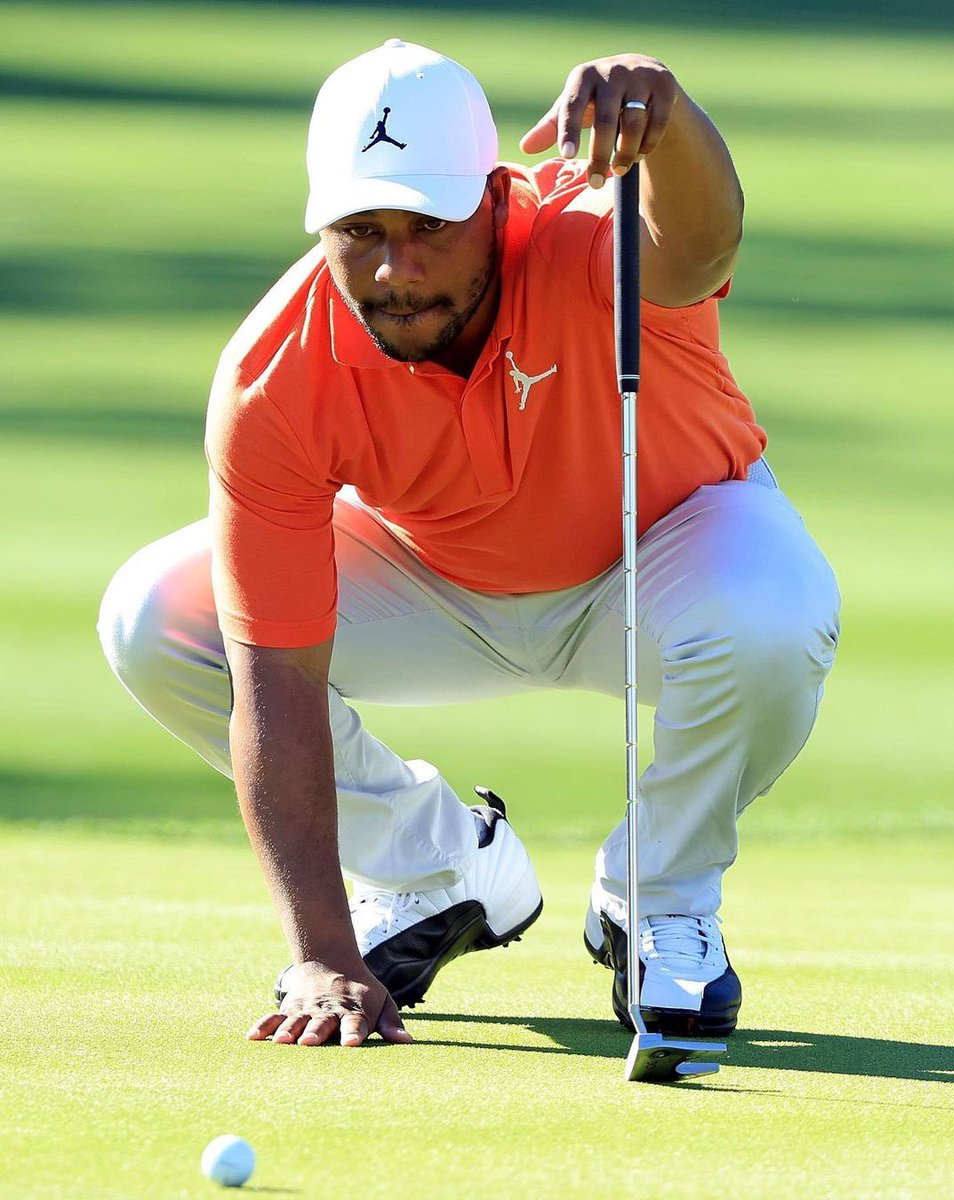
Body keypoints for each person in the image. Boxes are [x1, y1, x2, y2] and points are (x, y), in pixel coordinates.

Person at [98, 39, 840, 1050]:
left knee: (773, 611)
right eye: (362, 230)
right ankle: (437, 867)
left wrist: (669, 121)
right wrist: (320, 952)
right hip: (432, 584)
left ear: (495, 199)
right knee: (156, 620)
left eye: (430, 226)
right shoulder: (275, 377)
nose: (397, 270)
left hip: (663, 562)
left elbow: (704, 244)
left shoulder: (587, 241)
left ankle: (657, 898)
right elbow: (272, 678)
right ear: (321, 224)